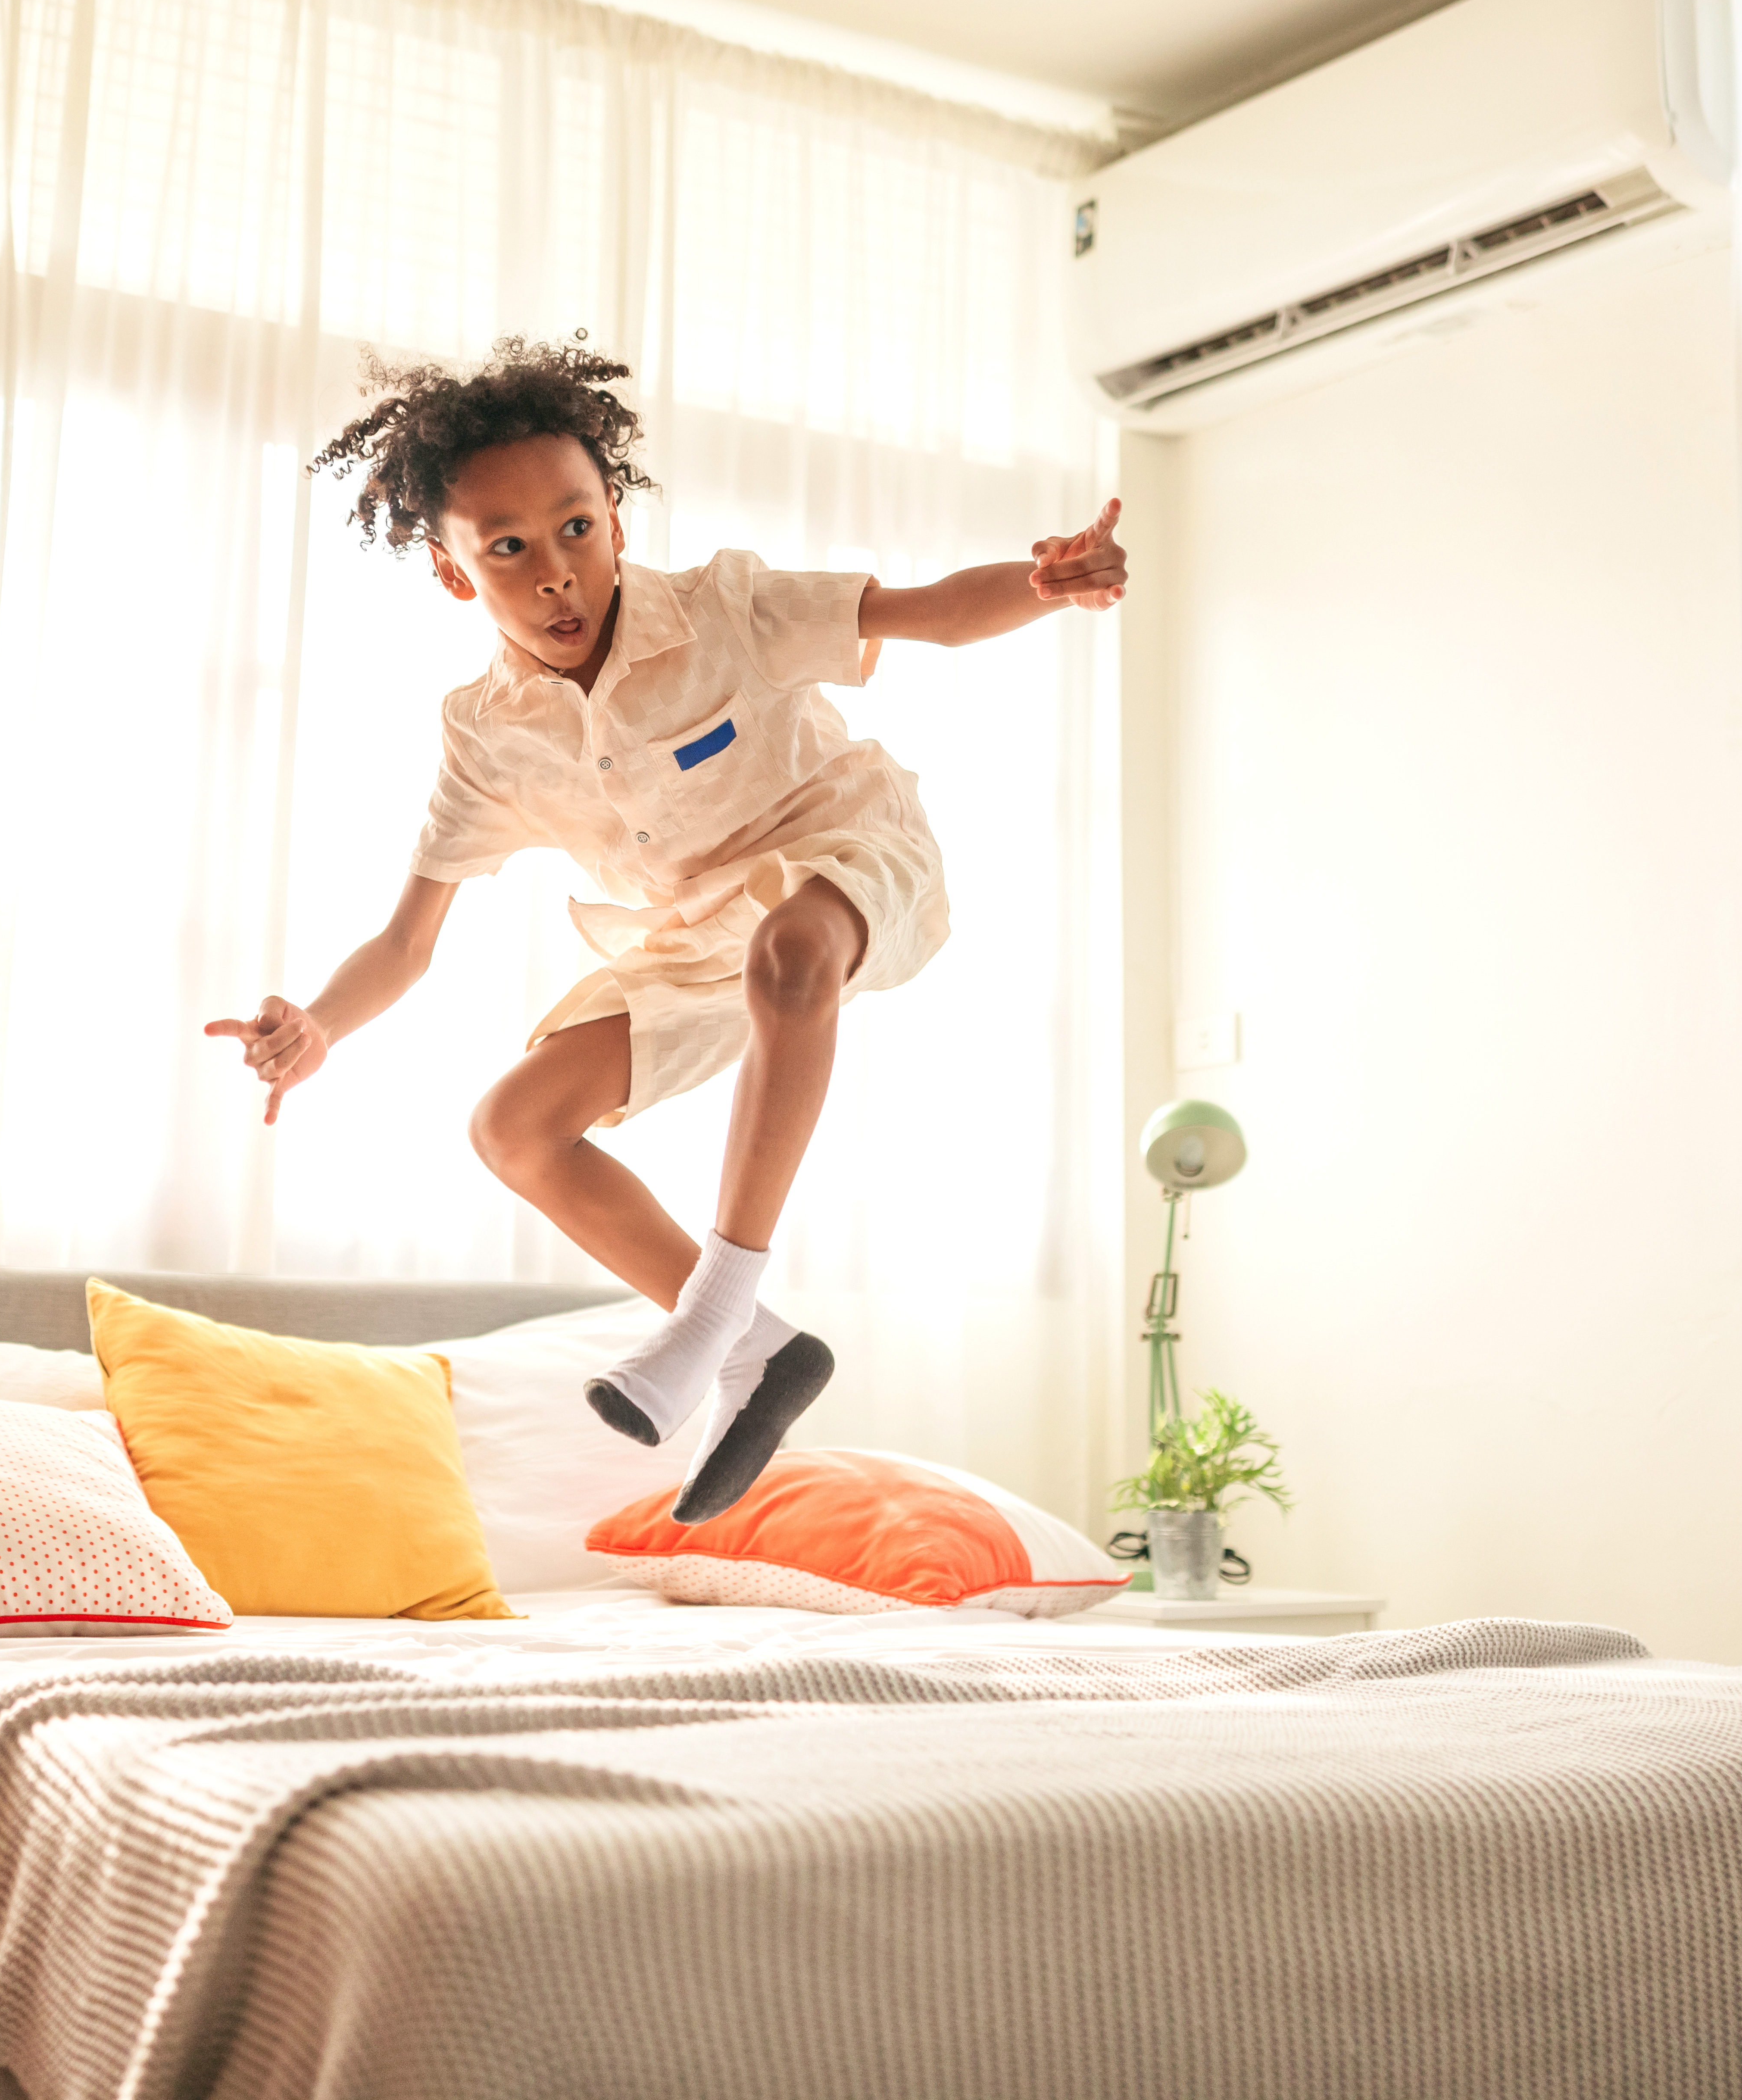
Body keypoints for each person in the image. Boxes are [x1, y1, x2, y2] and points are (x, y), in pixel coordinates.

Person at [207, 338, 1124, 1521]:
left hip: (848, 851)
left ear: (617, 525)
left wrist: (1045, 583)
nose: (557, 576)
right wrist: (319, 1024)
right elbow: (407, 939)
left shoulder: (725, 612)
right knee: (514, 1127)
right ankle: (761, 1355)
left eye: (578, 529)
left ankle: (707, 1322)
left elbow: (929, 611)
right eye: (509, 550)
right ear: (454, 576)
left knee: (789, 952)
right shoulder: (487, 735)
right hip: (695, 933)